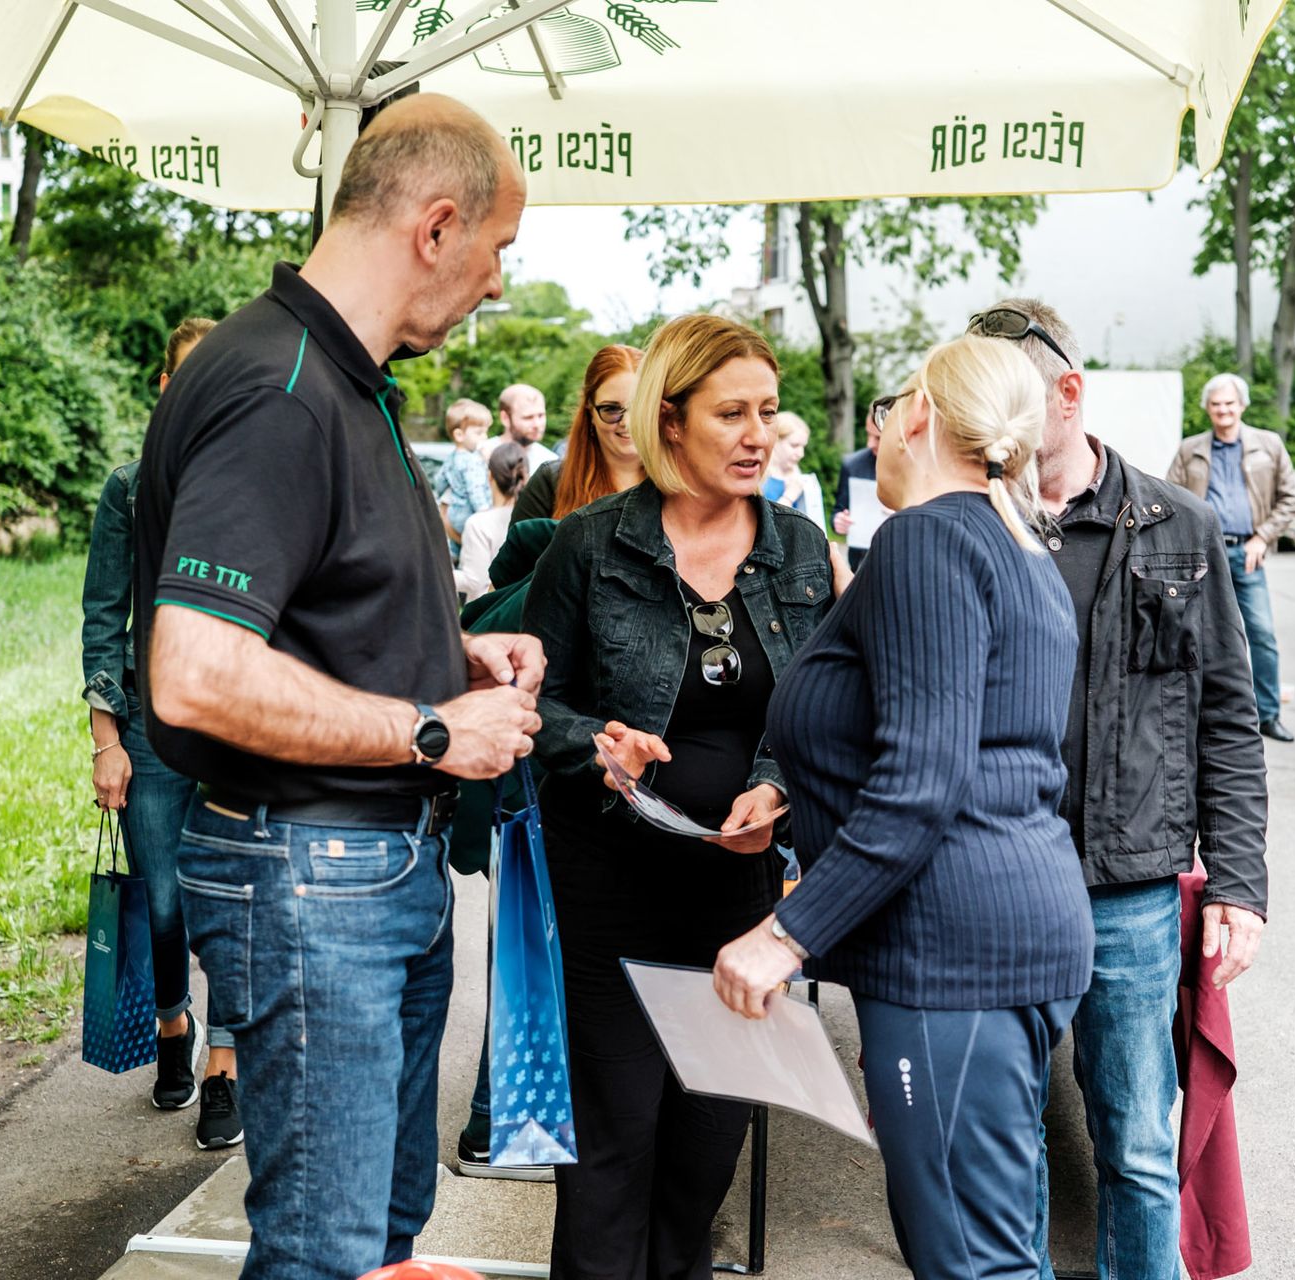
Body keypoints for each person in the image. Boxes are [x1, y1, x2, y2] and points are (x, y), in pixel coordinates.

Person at [133, 94, 545, 1280]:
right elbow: (198, 672)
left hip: (361, 871)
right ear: (436, 226)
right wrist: (432, 728)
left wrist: (450, 650)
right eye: (497, 249)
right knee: (328, 1253)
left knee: (377, 1242)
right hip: (315, 874)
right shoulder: (281, 387)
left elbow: (311, 607)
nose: (496, 280)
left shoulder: (349, 382)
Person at [710, 333, 1094, 1279]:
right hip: (1003, 930)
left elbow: (922, 783)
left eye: (887, 410)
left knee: (967, 1258)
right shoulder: (1016, 540)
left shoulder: (928, 539)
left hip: (950, 948)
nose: (877, 430)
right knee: (994, 1248)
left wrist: (787, 934)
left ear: (918, 415)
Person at [522, 313, 833, 1280]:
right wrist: (594, 743)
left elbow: (823, 710)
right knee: (612, 1148)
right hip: (608, 888)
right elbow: (533, 700)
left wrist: (776, 786)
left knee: (706, 1151)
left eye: (768, 412)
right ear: (670, 419)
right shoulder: (589, 545)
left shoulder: (799, 547)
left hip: (739, 902)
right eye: (731, 413)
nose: (757, 435)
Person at [969, 298, 1267, 1280]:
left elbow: (1228, 716)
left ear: (1068, 391)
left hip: (1131, 885)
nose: (994, 429)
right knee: (1004, 1144)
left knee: (1138, 1144)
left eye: (1012, 401)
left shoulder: (1179, 524)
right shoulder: (969, 525)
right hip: (1000, 879)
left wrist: (1238, 884)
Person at [80, 316, 243, 1151]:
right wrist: (107, 740)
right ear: (167, 386)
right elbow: (103, 617)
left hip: (242, 726)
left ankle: (224, 1066)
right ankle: (173, 1024)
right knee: (165, 901)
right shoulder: (131, 488)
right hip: (150, 725)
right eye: (189, 375)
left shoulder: (256, 479)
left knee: (236, 899)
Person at [1167, 373, 1295, 741]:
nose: (1223, 410)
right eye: (1216, 404)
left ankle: (1269, 715)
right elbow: (1171, 498)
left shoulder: (1269, 445)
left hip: (1248, 553)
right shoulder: (1190, 449)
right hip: (1202, 555)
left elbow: (1291, 499)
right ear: (1207, 409)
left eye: (1229, 403)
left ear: (1242, 405)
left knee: (1261, 634)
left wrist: (1262, 537)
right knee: (1195, 633)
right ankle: (1198, 713)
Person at [510, 344, 645, 524]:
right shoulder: (551, 482)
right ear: (590, 409)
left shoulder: (679, 485)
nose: (626, 422)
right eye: (611, 409)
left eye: (639, 406)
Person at [456, 441, 528, 600]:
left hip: (487, 611)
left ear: (490, 476)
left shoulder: (479, 524)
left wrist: (439, 572)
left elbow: (474, 581)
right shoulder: (533, 520)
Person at [831, 399, 885, 569]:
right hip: (859, 564)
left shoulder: (917, 469)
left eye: (878, 437)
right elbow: (839, 509)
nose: (870, 444)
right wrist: (838, 521)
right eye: (868, 434)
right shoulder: (853, 464)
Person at [437, 398, 495, 545]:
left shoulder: (452, 457)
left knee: (457, 548)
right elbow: (475, 490)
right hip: (469, 515)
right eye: (479, 433)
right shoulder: (471, 461)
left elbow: (440, 482)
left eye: (486, 432)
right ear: (459, 435)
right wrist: (486, 516)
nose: (485, 437)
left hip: (454, 514)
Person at [761, 410, 825, 527]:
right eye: (794, 445)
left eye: (803, 447)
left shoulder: (798, 478)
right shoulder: (759, 479)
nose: (801, 454)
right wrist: (788, 497)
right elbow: (765, 526)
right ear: (774, 440)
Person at [499, 382, 558, 475]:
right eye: (528, 418)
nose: (537, 424)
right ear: (505, 418)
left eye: (541, 415)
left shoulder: (551, 461)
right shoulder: (482, 456)